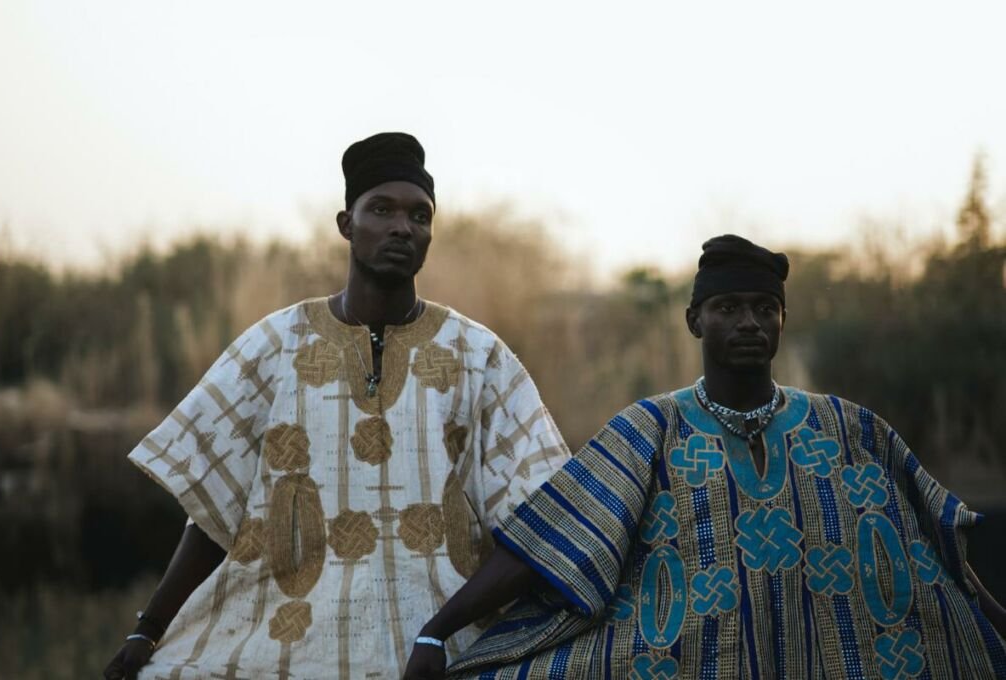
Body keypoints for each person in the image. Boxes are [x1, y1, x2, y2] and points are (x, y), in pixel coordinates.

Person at [403, 235, 1006, 679]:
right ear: (696, 320)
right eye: (729, 308)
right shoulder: (649, 430)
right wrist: (437, 634)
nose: (749, 322)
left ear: (783, 321)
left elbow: (933, 548)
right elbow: (549, 541)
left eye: (765, 309)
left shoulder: (848, 428)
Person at [102, 132, 571, 680]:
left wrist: (437, 631)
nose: (403, 227)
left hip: (442, 642)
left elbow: (544, 524)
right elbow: (215, 509)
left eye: (420, 216)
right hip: (288, 637)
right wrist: (148, 628)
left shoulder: (479, 357)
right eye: (382, 210)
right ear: (346, 224)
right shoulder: (275, 346)